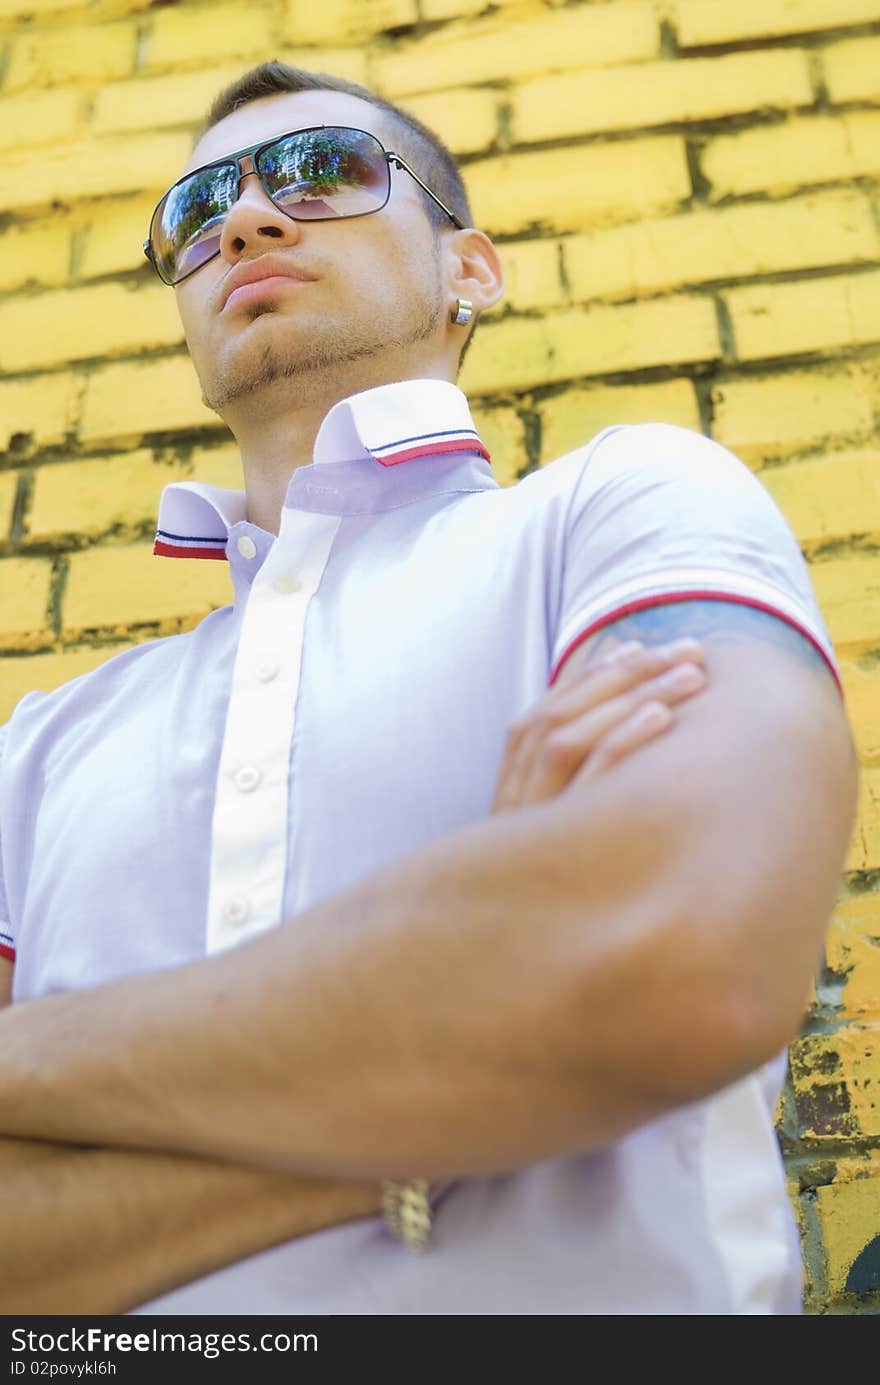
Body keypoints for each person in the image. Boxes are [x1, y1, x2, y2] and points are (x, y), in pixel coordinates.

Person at [0, 62, 859, 1315]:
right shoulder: (43, 743)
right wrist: (462, 1043)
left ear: (473, 270)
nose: (246, 220)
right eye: (197, 211)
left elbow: (687, 962)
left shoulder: (620, 509)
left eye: (322, 173)